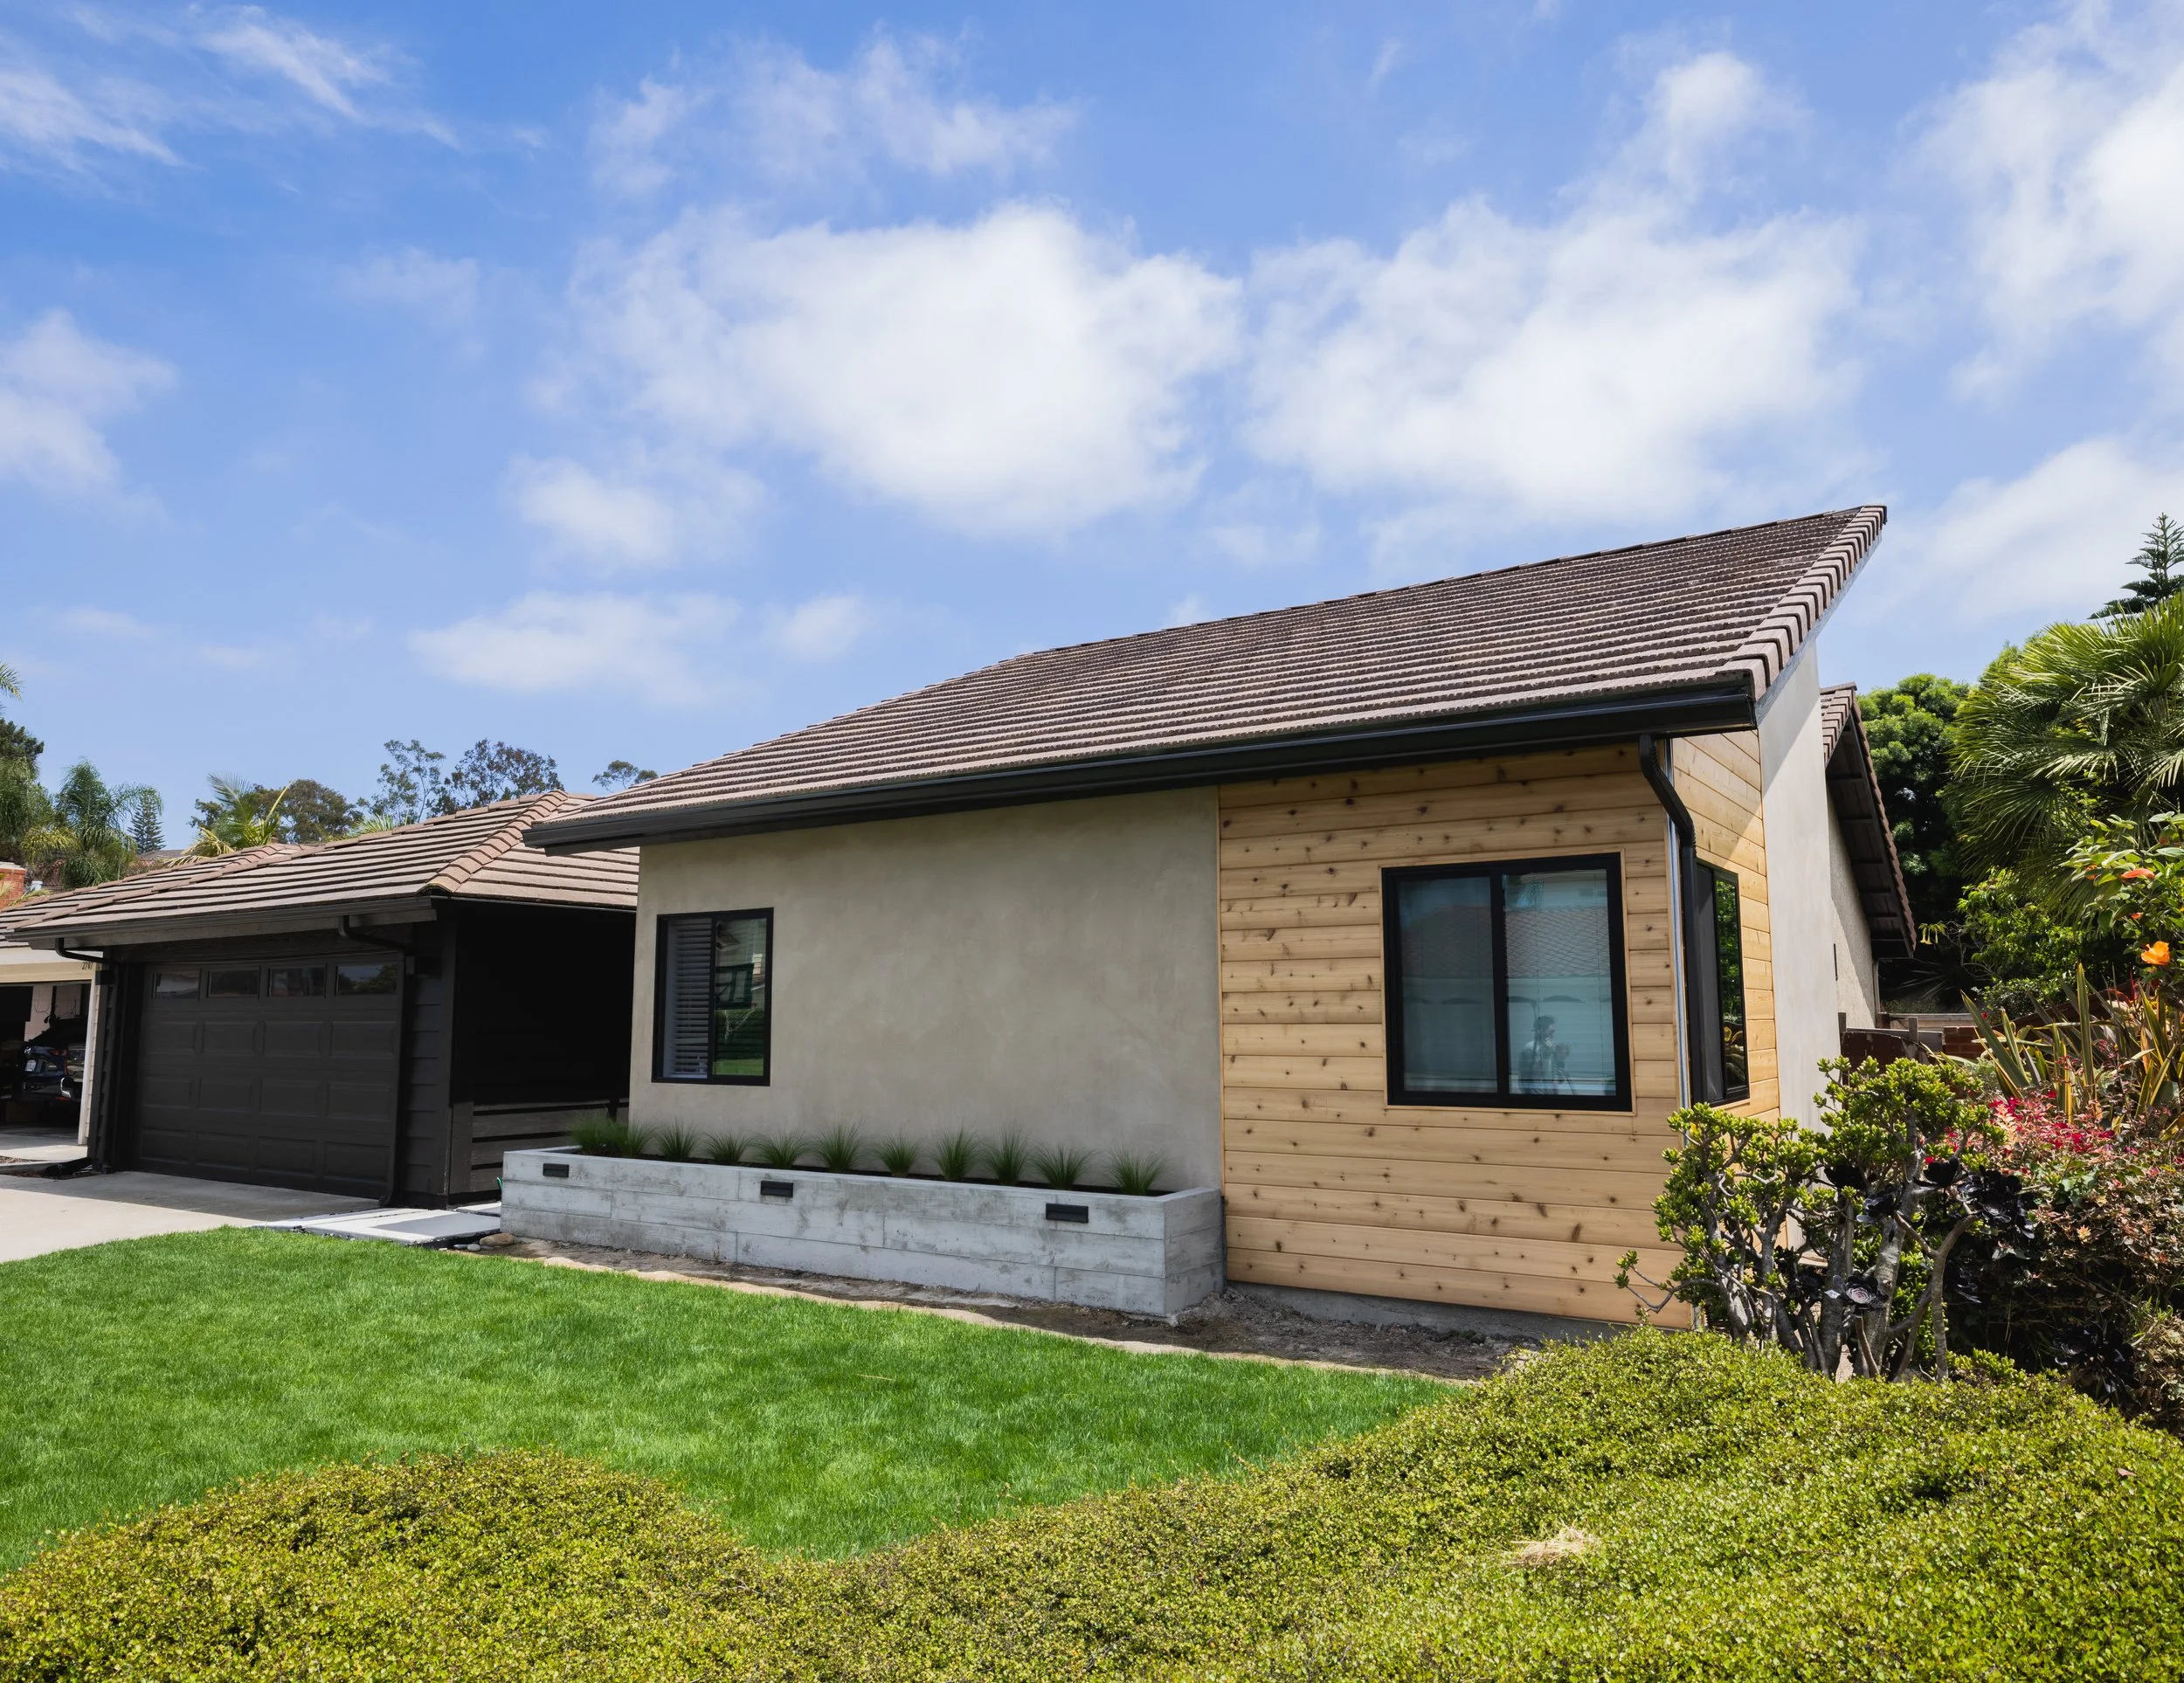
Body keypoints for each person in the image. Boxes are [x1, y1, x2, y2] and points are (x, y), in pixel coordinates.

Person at [1516, 1014, 1572, 1093]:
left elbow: (1553, 1076)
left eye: (1553, 1032)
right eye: (1550, 1032)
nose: (1552, 1035)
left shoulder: (1550, 1048)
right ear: (1540, 1030)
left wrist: (1560, 1077)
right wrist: (1546, 1053)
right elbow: (1534, 1074)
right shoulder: (1530, 1049)